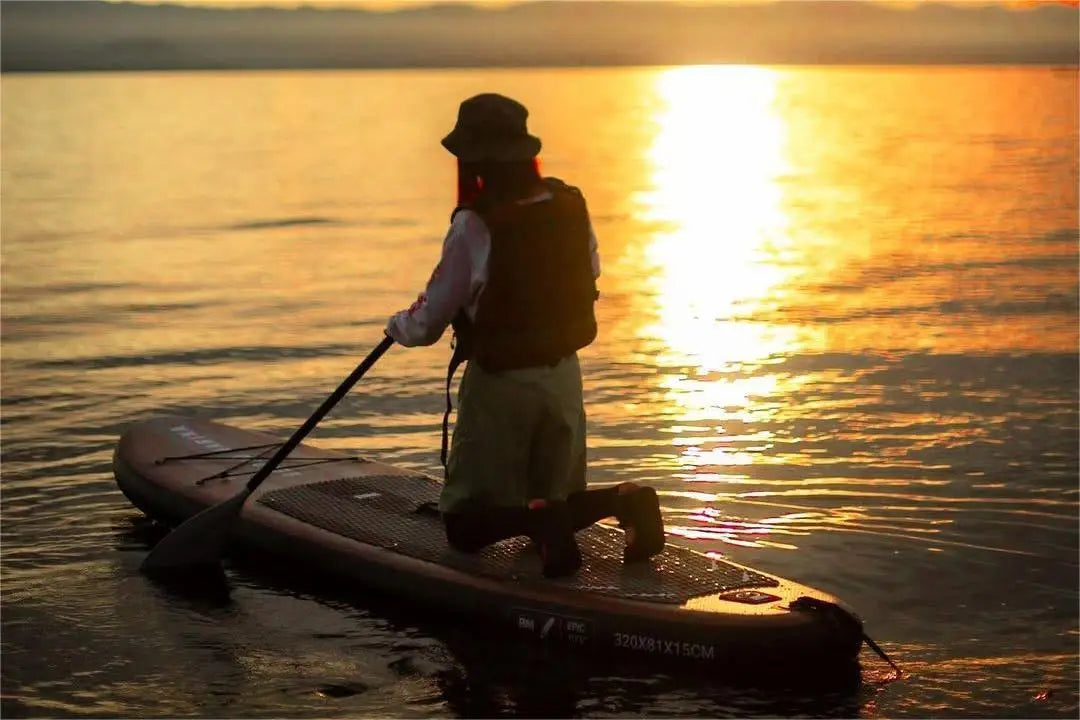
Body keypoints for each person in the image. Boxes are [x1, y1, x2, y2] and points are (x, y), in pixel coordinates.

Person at [386, 93, 664, 577]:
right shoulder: (570, 206)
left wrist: (397, 326)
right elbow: (591, 272)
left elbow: (429, 321)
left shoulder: (475, 224)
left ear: (473, 159)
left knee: (463, 527)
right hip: (563, 377)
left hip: (500, 385)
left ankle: (541, 524)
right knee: (557, 495)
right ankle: (625, 501)